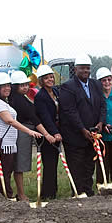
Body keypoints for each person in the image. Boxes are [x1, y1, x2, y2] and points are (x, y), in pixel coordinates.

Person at [0, 72, 42, 199]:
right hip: (3, 143)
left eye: (8, 85)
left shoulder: (4, 102)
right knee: (4, 171)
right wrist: (29, 131)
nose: (7, 88)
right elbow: (9, 120)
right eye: (3, 86)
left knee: (7, 170)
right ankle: (5, 196)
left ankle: (4, 196)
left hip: (10, 143)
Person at [59, 54, 106, 197]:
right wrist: (82, 129)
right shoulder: (67, 87)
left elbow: (103, 105)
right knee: (76, 164)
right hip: (75, 134)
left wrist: (100, 123)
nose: (85, 71)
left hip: (93, 134)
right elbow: (70, 111)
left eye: (88, 68)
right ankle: (78, 192)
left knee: (89, 163)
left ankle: (88, 190)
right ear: (76, 69)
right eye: (82, 68)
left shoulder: (96, 84)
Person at [9, 71, 55, 201]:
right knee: (20, 165)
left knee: (21, 164)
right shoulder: (18, 100)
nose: (25, 87)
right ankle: (21, 194)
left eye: (26, 84)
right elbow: (34, 118)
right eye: (21, 85)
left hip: (28, 130)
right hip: (23, 131)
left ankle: (21, 193)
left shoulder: (23, 97)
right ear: (15, 86)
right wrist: (46, 134)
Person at [34, 65, 62, 200]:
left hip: (58, 131)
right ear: (41, 80)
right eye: (46, 78)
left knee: (55, 162)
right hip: (48, 135)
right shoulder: (40, 97)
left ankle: (53, 190)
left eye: (51, 77)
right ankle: (48, 193)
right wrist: (54, 133)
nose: (50, 80)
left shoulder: (56, 91)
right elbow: (45, 117)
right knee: (49, 163)